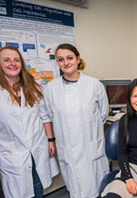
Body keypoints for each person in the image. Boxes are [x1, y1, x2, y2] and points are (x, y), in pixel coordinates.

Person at [0, 46, 59, 198]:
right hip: (14, 155)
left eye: (16, 60)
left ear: (21, 63)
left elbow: (44, 117)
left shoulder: (33, 88)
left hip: (38, 150)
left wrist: (51, 140)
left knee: (38, 190)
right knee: (20, 194)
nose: (12, 63)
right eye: (7, 60)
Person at [43, 43, 109, 198]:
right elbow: (49, 116)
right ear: (57, 63)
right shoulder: (51, 89)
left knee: (96, 188)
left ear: (78, 59)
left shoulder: (94, 85)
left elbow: (103, 114)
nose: (66, 63)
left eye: (70, 58)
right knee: (75, 189)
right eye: (60, 59)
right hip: (67, 148)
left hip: (90, 147)